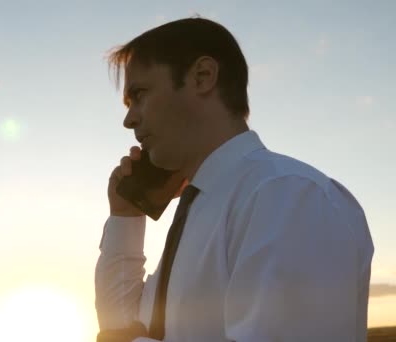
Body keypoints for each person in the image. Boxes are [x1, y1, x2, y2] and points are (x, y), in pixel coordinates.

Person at [95, 17, 374, 342]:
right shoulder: (203, 213)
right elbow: (121, 327)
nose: (129, 119)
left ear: (202, 77)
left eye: (139, 94)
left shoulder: (285, 195)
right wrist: (126, 217)